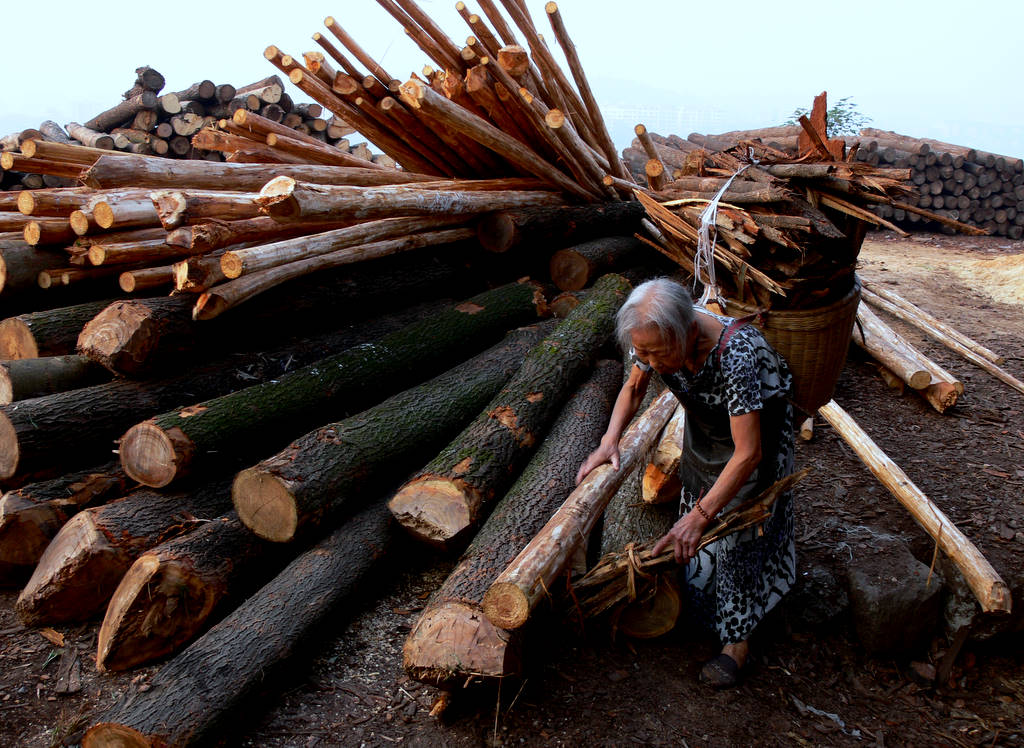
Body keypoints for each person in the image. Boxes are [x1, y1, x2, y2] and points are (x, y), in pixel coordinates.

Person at [576, 277, 795, 689]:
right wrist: (609, 441)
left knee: (738, 538)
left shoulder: (737, 354)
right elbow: (634, 385)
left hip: (755, 443)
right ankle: (705, 611)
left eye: (657, 354)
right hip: (705, 434)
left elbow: (749, 453)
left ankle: (738, 643)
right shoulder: (651, 336)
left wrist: (701, 514)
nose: (650, 362)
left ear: (688, 331)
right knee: (699, 554)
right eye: (642, 352)